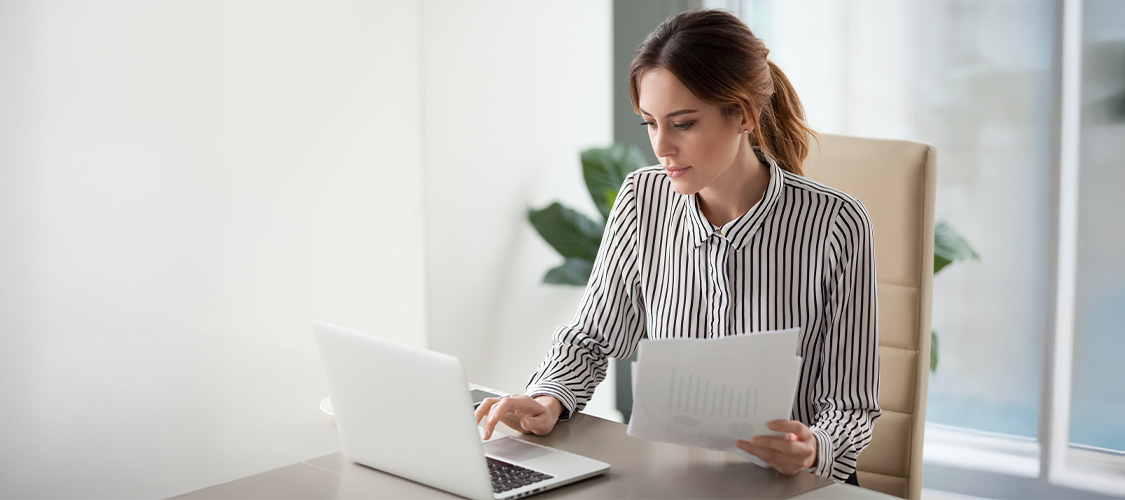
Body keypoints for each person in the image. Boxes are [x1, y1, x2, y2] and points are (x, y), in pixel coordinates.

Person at [475, 9, 878, 485]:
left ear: (744, 114)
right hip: (671, 479)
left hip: (792, 486)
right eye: (650, 123)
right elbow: (592, 336)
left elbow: (850, 405)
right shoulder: (641, 199)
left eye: (683, 124)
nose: (661, 146)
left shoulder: (837, 224)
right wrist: (549, 397)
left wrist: (813, 449)